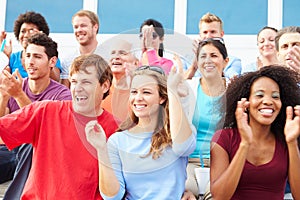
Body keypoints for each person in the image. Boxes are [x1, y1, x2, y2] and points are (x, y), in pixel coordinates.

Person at [0, 53, 119, 199]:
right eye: (74, 81)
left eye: (86, 82)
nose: (78, 88)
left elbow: (115, 192)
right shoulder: (45, 111)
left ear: (105, 85)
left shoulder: (116, 129)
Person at [85, 65, 196, 199]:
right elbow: (112, 197)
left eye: (146, 92)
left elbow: (183, 147)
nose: (138, 98)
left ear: (162, 98)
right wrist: (101, 149)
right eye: (134, 92)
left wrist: (173, 92)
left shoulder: (177, 133)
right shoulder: (117, 140)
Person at [210, 65, 300, 199]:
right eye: (259, 95)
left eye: (275, 97)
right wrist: (244, 144)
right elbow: (219, 197)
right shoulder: (224, 138)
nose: (268, 101)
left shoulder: (287, 139)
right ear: (246, 102)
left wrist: (292, 142)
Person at [0, 32, 72, 199]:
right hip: (8, 150)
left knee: (28, 148)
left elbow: (42, 134)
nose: (30, 62)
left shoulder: (63, 96)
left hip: (39, 155)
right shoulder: (14, 85)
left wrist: (18, 95)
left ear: (52, 62)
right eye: (28, 56)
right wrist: (3, 98)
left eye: (37, 57)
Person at [184, 38, 228, 197]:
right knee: (185, 192)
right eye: (203, 56)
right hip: (189, 163)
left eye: (214, 56)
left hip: (221, 163)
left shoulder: (233, 90)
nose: (208, 60)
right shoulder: (188, 88)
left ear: (225, 61)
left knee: (216, 194)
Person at [3, 11, 61, 81]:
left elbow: (56, 80)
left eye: (31, 31)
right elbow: (5, 83)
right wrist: (5, 56)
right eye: (23, 31)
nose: (26, 35)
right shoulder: (13, 57)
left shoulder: (50, 57)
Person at [186, 12, 242, 80]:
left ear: (221, 34)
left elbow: (233, 78)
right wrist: (194, 66)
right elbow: (179, 83)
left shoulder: (233, 61)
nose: (208, 36)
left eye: (213, 32)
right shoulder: (185, 60)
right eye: (205, 32)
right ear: (200, 35)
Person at [61, 10, 108, 88]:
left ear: (95, 27)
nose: (79, 30)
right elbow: (66, 93)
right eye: (76, 27)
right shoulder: (68, 60)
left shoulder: (108, 56)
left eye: (83, 26)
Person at [102, 39, 138, 122]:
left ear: (135, 63)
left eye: (122, 53)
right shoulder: (100, 90)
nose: (116, 57)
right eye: (113, 53)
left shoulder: (142, 93)